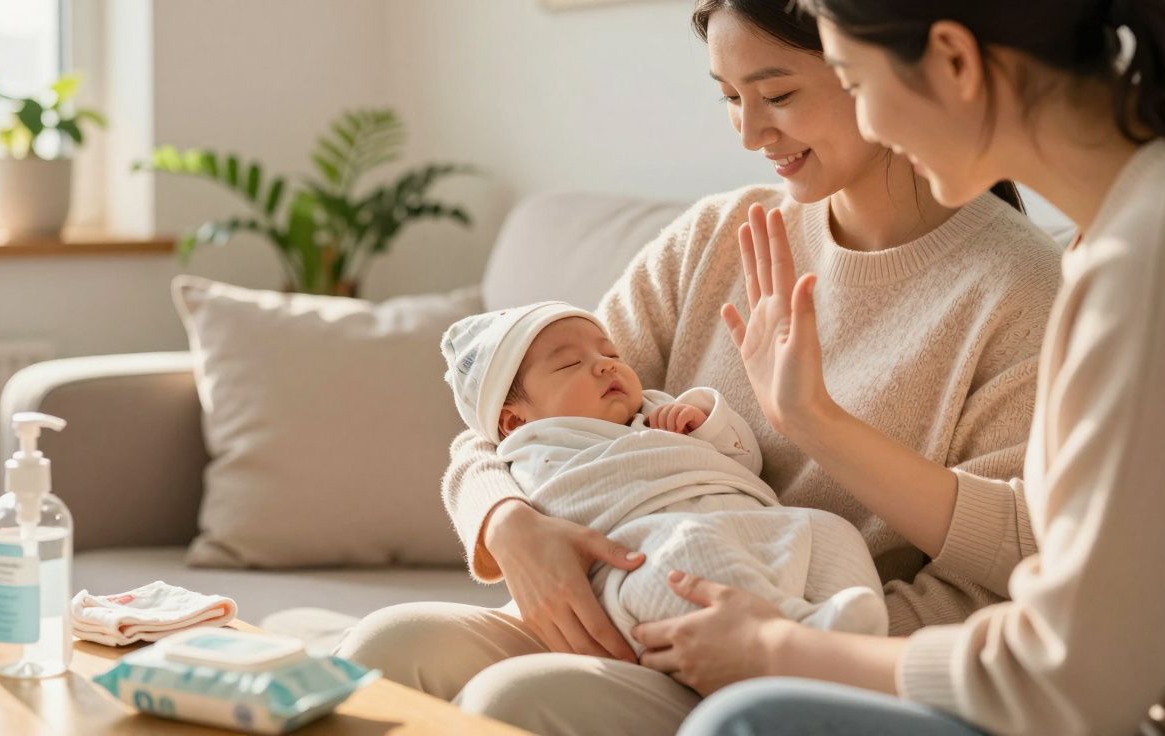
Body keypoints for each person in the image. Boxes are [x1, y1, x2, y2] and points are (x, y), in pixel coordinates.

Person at [334, 1, 1064, 732]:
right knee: (383, 649)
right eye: (728, 97)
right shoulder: (714, 236)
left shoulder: (1022, 290)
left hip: (794, 663)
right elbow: (511, 406)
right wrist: (507, 524)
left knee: (515, 703)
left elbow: (997, 582)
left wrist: (790, 641)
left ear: (870, 69)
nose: (749, 132)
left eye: (777, 95)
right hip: (614, 598)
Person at [675, 1, 1165, 734]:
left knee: (747, 720)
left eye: (855, 83)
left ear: (955, 62)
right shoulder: (1128, 234)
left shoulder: (1159, 260)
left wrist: (780, 649)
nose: (868, 128)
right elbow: (1045, 544)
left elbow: (1069, 683)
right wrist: (811, 420)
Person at [439, 302, 887, 655]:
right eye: (569, 364)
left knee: (830, 531)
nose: (604, 365)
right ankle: (798, 631)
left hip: (749, 524)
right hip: (642, 558)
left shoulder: (655, 411)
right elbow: (560, 509)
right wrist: (505, 521)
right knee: (687, 552)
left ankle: (854, 639)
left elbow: (745, 461)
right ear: (514, 422)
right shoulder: (536, 449)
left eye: (610, 353)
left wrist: (702, 423)